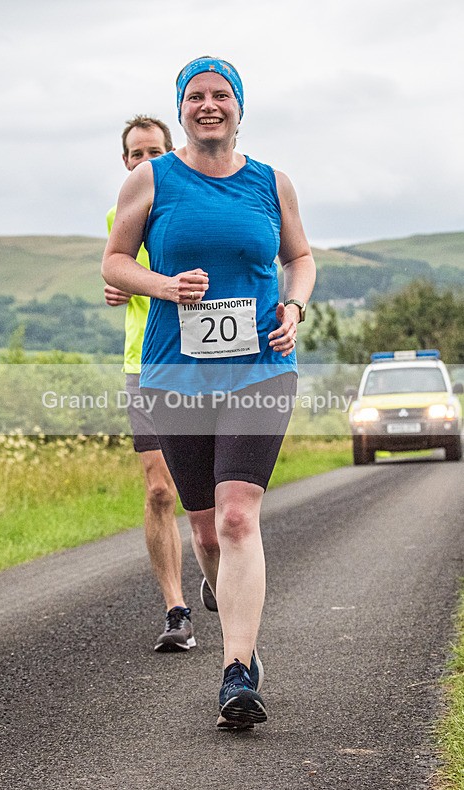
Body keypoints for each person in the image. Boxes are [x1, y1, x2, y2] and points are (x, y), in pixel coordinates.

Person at [102, 57, 316, 729]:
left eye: (221, 94)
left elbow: (299, 259)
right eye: (195, 96)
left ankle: (237, 671)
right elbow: (112, 263)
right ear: (183, 108)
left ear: (240, 106)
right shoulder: (152, 178)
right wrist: (164, 286)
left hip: (259, 368)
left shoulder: (271, 182)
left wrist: (295, 309)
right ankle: (225, 598)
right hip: (174, 375)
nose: (208, 105)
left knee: (235, 515)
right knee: (204, 527)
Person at [104, 115, 198, 653]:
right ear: (125, 162)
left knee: (204, 488)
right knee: (160, 487)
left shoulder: (192, 206)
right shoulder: (121, 213)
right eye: (135, 154)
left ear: (171, 152)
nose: (144, 162)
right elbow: (116, 268)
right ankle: (175, 609)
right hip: (144, 363)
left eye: (153, 152)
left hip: (204, 363)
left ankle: (213, 564)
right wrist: (117, 287)